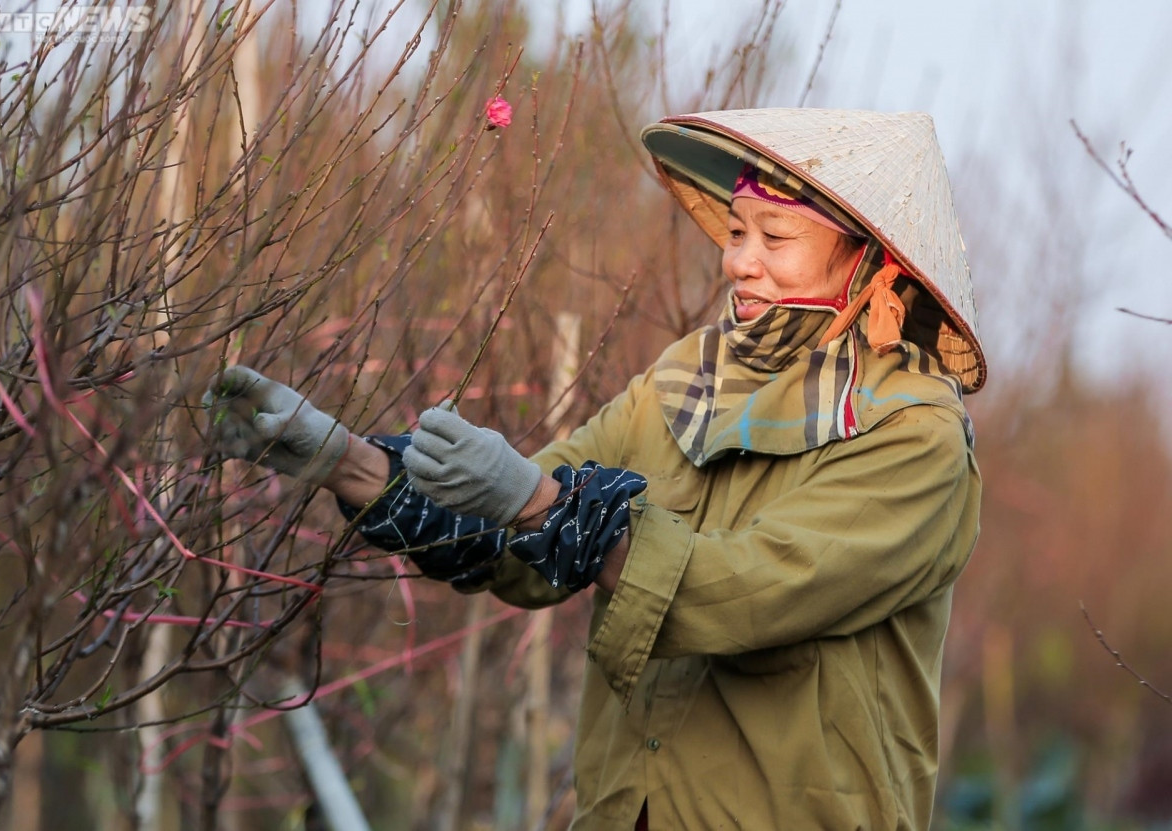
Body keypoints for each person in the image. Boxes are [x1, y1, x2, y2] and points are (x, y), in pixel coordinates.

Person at [206, 108, 985, 830]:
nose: (737, 262)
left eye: (773, 238)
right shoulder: (687, 379)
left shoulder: (912, 435)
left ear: (869, 263)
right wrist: (348, 461)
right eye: (736, 231)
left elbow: (749, 589)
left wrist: (544, 504)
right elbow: (517, 533)